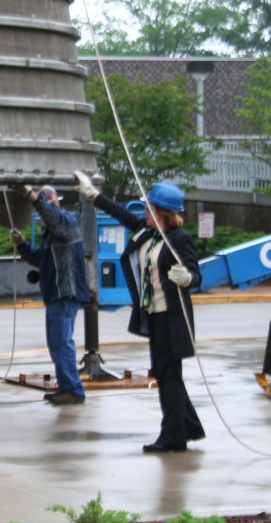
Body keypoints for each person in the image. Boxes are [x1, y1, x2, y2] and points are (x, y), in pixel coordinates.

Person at [75, 171, 205, 453]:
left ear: (162, 213)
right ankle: (188, 427)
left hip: (172, 318)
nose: (144, 211)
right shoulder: (149, 232)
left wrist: (187, 278)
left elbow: (196, 275)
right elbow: (124, 216)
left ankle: (173, 438)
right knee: (165, 373)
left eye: (149, 208)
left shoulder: (178, 239)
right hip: (155, 315)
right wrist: (95, 196)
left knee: (168, 376)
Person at [10, 185, 89, 406]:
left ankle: (73, 389)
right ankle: (67, 386)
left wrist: (33, 197)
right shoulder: (53, 232)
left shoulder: (65, 223)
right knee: (58, 343)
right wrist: (23, 246)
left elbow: (51, 218)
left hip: (65, 292)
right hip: (58, 293)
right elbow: (40, 259)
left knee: (61, 342)